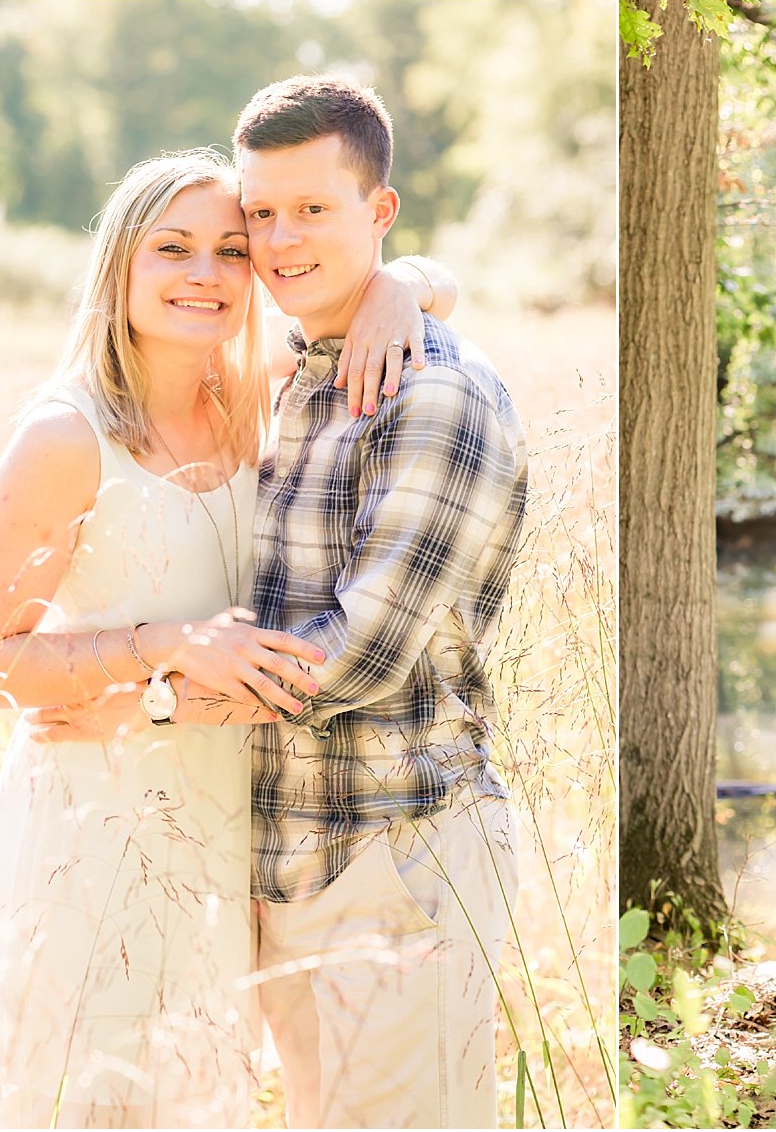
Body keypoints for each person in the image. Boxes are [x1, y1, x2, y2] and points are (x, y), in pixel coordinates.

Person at [0, 149, 444, 1127]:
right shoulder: (64, 437)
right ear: (120, 264)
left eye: (231, 248)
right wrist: (163, 642)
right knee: (93, 1091)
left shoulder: (256, 394)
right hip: (94, 821)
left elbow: (430, 274)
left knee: (200, 1091)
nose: (206, 274)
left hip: (226, 815)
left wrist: (396, 288)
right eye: (172, 247)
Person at [227, 75, 527, 1128]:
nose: (280, 238)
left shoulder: (435, 389)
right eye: (260, 212)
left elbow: (361, 651)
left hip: (397, 850)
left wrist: (161, 681)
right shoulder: (289, 369)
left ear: (379, 209)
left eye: (312, 207)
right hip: (287, 858)